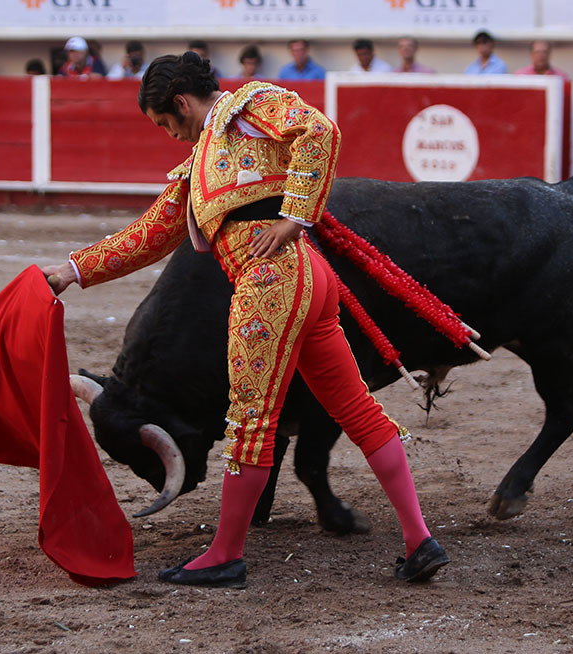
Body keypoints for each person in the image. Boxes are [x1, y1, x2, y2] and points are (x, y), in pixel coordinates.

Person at [41, 51, 448, 589]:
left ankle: (226, 555)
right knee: (355, 407)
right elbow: (148, 235)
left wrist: (293, 217)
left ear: (181, 102)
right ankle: (420, 540)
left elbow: (319, 130)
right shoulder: (200, 160)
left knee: (252, 418)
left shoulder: (251, 107)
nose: (168, 135)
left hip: (271, 282)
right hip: (306, 280)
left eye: (165, 122)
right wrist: (73, 269)